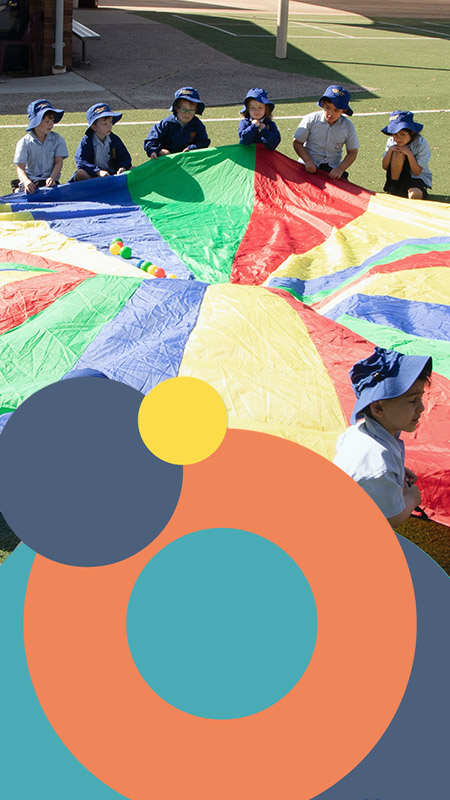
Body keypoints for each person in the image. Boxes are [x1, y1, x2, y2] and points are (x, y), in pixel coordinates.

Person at [333, 346, 432, 527]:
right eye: (412, 400)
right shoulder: (379, 463)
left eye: (421, 398)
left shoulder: (359, 430)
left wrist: (395, 470)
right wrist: (411, 498)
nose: (422, 407)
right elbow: (389, 518)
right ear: (378, 408)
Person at [292, 85, 359, 180]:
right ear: (323, 104)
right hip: (308, 166)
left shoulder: (347, 126)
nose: (331, 113)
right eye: (328, 108)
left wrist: (340, 169)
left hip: (332, 170)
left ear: (343, 111)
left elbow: (352, 152)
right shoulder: (310, 119)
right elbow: (297, 143)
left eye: (336, 110)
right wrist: (308, 161)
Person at [13, 99, 68, 194]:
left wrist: (52, 178)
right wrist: (26, 181)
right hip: (31, 181)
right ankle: (18, 188)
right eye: (46, 121)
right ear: (35, 123)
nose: (51, 124)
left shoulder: (58, 139)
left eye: (52, 120)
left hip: (49, 181)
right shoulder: (24, 142)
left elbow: (58, 161)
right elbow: (20, 167)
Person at [143, 87, 210, 159]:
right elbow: (151, 141)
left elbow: (203, 142)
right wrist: (155, 151)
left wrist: (192, 148)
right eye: (183, 110)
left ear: (196, 110)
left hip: (187, 160)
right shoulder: (166, 124)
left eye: (191, 110)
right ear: (176, 108)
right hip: (167, 160)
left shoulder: (197, 125)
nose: (187, 114)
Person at [72, 103, 132, 181]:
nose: (109, 126)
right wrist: (98, 171)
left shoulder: (114, 140)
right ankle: (97, 188)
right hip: (94, 176)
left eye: (110, 122)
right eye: (105, 124)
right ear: (94, 127)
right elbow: (81, 162)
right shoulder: (86, 141)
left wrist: (122, 167)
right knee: (80, 173)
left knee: (133, 169)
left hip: (112, 174)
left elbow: (125, 157)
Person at [381, 110, 432, 200]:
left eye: (403, 134)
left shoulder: (421, 142)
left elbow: (417, 172)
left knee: (414, 195)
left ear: (412, 132)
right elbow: (385, 166)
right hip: (396, 178)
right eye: (395, 134)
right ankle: (393, 188)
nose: (398, 138)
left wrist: (409, 153)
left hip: (415, 179)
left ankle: (412, 192)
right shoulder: (391, 141)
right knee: (398, 152)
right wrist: (390, 151)